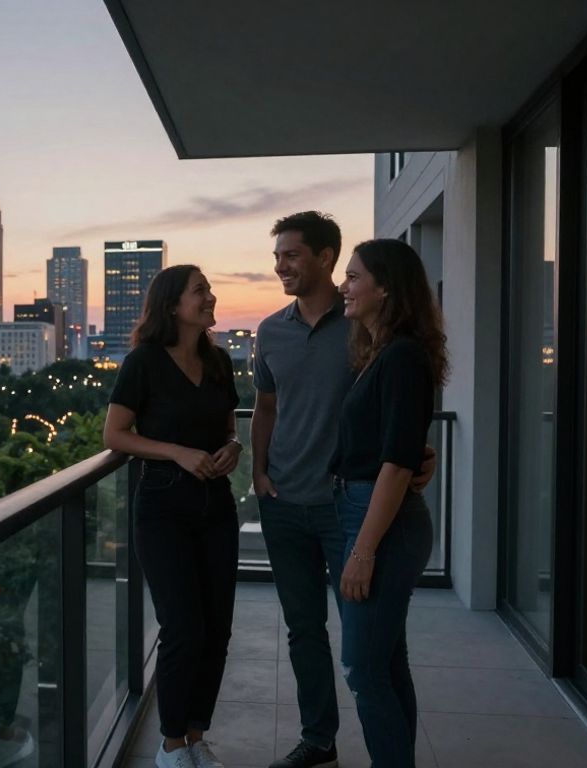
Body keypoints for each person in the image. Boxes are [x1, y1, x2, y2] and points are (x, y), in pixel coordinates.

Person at [254, 212, 434, 768]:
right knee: (305, 631)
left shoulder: (364, 330)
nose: (280, 265)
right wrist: (259, 473)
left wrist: (414, 457)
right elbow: (266, 406)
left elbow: (397, 416)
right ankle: (319, 740)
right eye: (277, 254)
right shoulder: (271, 331)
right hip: (285, 503)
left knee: (371, 655)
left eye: (291, 254)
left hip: (348, 510)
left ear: (327, 258)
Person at [103, 265, 242, 768]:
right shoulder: (143, 362)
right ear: (172, 306)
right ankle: (170, 746)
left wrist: (234, 447)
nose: (210, 297)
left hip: (216, 506)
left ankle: (196, 736)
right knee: (183, 626)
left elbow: (228, 428)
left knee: (217, 628)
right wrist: (176, 452)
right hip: (162, 508)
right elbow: (115, 435)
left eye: (207, 289)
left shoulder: (219, 361)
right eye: (200, 291)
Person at [331, 238, 448, 768]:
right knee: (386, 661)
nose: (344, 286)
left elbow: (397, 464)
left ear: (385, 287)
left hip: (382, 523)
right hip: (371, 513)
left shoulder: (401, 357)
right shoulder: (382, 353)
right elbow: (395, 445)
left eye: (353, 277)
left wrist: (363, 551)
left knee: (364, 668)